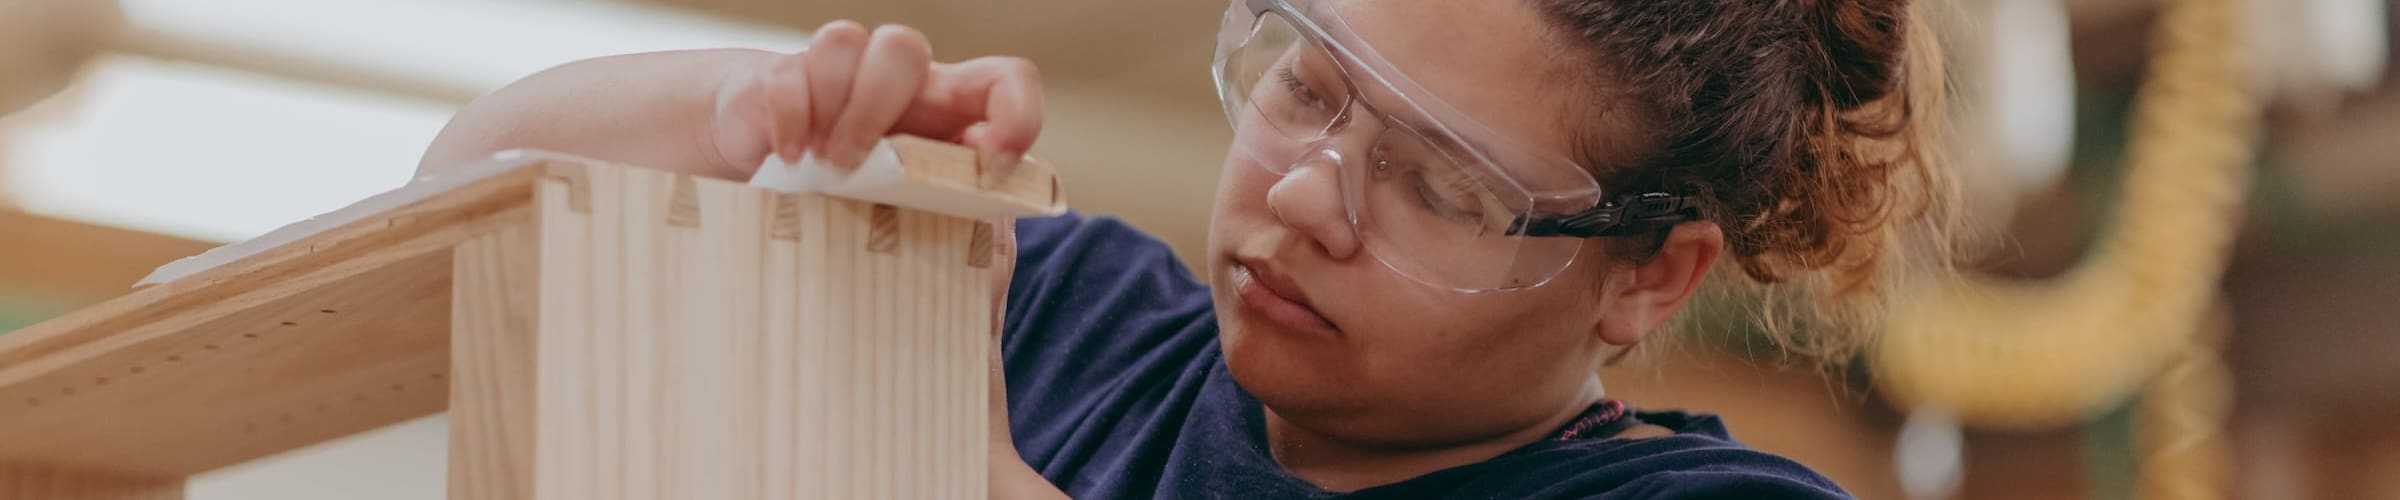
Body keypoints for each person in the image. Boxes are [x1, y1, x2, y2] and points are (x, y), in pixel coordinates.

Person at [416, 0, 1952, 497]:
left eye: (1436, 182)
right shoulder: (1059, 313)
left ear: (1649, 274)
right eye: (1305, 88)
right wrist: (757, 117)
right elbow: (461, 204)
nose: (1303, 196)